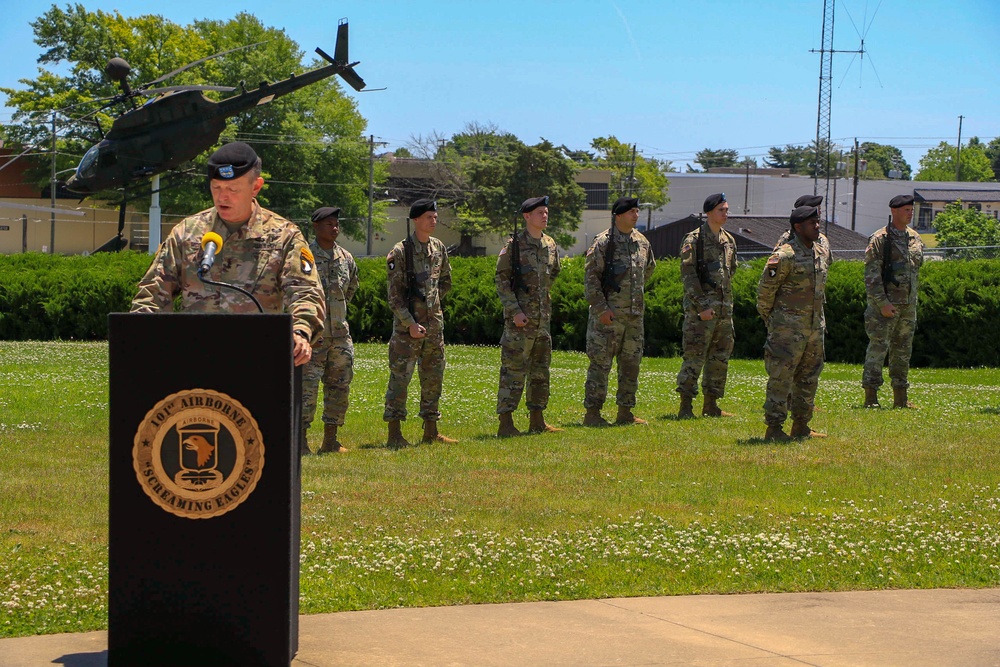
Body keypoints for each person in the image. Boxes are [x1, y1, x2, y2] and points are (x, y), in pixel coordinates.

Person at [132, 143, 325, 459]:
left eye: (233, 189)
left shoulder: (284, 235)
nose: (223, 196)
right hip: (194, 371)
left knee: (255, 462)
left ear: (256, 186)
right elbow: (152, 294)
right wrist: (140, 338)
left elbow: (306, 291)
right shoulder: (188, 234)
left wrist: (301, 333)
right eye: (216, 188)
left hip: (260, 369)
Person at [383, 199, 457, 448]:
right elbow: (394, 297)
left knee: (433, 378)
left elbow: (445, 282)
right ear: (416, 220)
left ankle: (431, 430)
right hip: (407, 331)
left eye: (435, 217)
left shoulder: (438, 248)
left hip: (434, 328)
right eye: (428, 217)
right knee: (400, 380)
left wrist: (431, 307)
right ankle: (395, 433)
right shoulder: (400, 251)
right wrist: (410, 322)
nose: (433, 221)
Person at [756, 205, 831, 441]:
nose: (817, 226)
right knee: (781, 379)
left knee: (809, 378)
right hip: (786, 331)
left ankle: (801, 426)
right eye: (812, 223)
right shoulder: (784, 255)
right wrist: (775, 322)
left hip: (813, 328)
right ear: (798, 227)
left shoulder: (819, 252)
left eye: (817, 222)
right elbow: (765, 293)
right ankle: (774, 428)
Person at [582, 196, 656, 426]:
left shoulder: (642, 242)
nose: (636, 215)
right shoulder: (603, 242)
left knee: (631, 365)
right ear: (619, 215)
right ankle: (592, 414)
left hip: (633, 317)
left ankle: (626, 412)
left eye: (637, 211)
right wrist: (602, 308)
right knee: (600, 365)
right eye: (632, 211)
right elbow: (591, 279)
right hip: (608, 317)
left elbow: (649, 269)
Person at [494, 196, 563, 437]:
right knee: (513, 371)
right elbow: (501, 281)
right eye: (539, 213)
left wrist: (541, 298)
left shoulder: (550, 244)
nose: (544, 216)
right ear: (526, 217)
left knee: (540, 371)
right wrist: (515, 310)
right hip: (520, 323)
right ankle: (506, 422)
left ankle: (537, 419)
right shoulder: (513, 246)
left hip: (542, 321)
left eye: (546, 212)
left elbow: (553, 273)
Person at [301, 207, 359, 454]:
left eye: (337, 224)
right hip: (313, 338)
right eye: (329, 225)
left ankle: (330, 441)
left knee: (339, 388)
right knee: (306, 390)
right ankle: (300, 442)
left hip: (339, 337)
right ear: (316, 227)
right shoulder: (304, 257)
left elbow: (351, 289)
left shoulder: (346, 257)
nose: (334, 229)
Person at [675, 193, 738, 419]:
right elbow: (688, 276)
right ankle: (685, 406)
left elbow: (732, 272)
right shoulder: (694, 240)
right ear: (709, 212)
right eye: (722, 210)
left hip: (723, 311)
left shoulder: (728, 240)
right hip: (700, 313)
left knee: (719, 359)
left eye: (727, 209)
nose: (726, 213)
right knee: (694, 357)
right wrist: (702, 306)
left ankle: (711, 404)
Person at [862, 194, 925, 408]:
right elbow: (872, 277)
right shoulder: (880, 239)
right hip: (885, 307)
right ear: (894, 211)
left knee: (903, 352)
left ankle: (901, 399)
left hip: (907, 307)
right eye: (906, 209)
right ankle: (871, 397)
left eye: (911, 209)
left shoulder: (915, 238)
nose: (910, 213)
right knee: (878, 350)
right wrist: (882, 303)